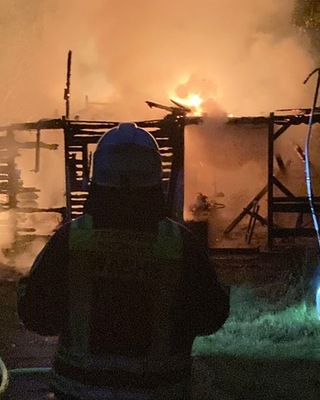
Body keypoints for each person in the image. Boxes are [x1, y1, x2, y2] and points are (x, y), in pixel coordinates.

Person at [17, 123, 230, 399]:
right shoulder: (181, 243)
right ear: (156, 176)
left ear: (97, 176)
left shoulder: (71, 239)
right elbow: (210, 317)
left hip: (79, 391)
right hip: (160, 392)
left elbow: (36, 315)